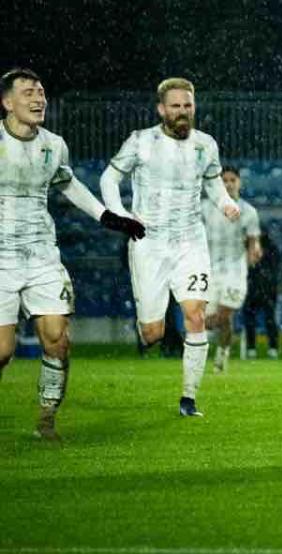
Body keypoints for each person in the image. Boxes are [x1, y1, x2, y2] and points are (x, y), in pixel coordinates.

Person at [0, 67, 145, 440]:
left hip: (42, 256)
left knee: (58, 339)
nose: (38, 99)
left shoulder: (54, 144)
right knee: (2, 350)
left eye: (42, 92)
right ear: (7, 102)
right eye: (29, 92)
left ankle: (46, 419)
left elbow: (68, 183)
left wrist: (108, 217)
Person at [100, 77, 241, 417]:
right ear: (161, 109)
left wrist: (225, 203)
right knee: (152, 333)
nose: (182, 112)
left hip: (191, 241)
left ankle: (188, 399)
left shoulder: (206, 144)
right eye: (175, 106)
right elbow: (109, 178)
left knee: (195, 315)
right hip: (149, 243)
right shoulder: (141, 142)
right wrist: (118, 214)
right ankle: (148, 326)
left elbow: (213, 184)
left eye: (187, 105)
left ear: (194, 107)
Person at [204, 166, 262, 373]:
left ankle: (222, 353)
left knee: (223, 314)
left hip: (235, 270)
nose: (228, 184)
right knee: (210, 321)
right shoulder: (206, 208)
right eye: (224, 180)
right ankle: (217, 352)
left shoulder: (248, 211)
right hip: (209, 269)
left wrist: (255, 249)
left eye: (232, 180)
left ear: (239, 183)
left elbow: (254, 240)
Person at [242, 228, 281, 358]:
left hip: (260, 289)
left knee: (264, 320)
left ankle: (259, 348)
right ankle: (266, 348)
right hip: (258, 289)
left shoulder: (266, 248)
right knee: (257, 320)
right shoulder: (269, 247)